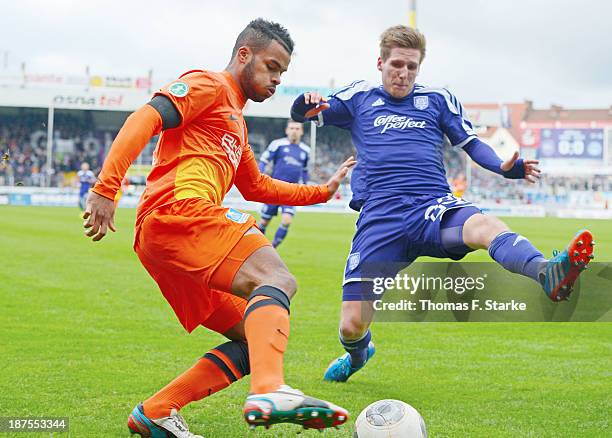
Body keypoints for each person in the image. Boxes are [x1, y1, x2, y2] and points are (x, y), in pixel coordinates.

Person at [83, 18, 354, 436]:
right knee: (276, 278)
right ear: (243, 54)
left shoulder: (237, 125)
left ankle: (157, 410)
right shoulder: (209, 85)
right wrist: (106, 187)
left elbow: (257, 186)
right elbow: (146, 117)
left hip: (166, 241)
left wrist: (322, 191)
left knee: (253, 337)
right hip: (179, 213)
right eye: (271, 67)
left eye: (282, 73)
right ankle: (271, 389)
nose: (276, 80)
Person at [290, 25, 595, 383]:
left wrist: (504, 168)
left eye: (412, 67)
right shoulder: (359, 97)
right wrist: (305, 101)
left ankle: (546, 272)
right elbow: (304, 114)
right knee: (352, 325)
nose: (403, 74)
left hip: (431, 206)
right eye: (397, 65)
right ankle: (358, 355)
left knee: (484, 225)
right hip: (381, 219)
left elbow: (470, 143)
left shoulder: (437, 99)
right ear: (380, 63)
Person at [258, 119, 310, 247]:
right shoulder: (277, 144)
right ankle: (257, 247)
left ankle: (273, 248)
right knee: (264, 221)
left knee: (287, 220)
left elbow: (305, 171)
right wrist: (259, 174)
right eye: (292, 128)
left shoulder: (305, 150)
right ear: (287, 130)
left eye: (297, 129)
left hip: (291, 191)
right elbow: (264, 160)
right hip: (274, 188)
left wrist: (306, 185)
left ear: (301, 131)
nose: (294, 131)